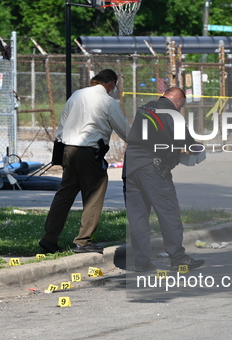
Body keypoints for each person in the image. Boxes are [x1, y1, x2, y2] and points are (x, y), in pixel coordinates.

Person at [39, 69, 127, 254]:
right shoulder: (107, 101)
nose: (114, 89)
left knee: (65, 194)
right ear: (111, 82)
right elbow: (124, 130)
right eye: (115, 86)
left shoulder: (77, 95)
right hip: (89, 152)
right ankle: (83, 241)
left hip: (68, 150)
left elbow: (62, 124)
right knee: (94, 194)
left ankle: (49, 238)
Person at [124, 87, 205, 271]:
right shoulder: (171, 113)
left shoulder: (145, 108)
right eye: (181, 106)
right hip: (153, 168)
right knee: (169, 213)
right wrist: (196, 148)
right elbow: (186, 142)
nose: (180, 110)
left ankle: (142, 262)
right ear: (177, 101)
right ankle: (178, 258)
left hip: (131, 166)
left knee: (138, 217)